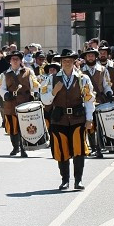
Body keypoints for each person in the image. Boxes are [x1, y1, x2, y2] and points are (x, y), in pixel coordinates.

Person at [39, 49, 96, 190]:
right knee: (61, 149)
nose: (67, 62)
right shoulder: (51, 79)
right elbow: (45, 100)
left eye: (70, 60)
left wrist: (89, 119)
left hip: (77, 118)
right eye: (64, 60)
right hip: (59, 119)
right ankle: (65, 180)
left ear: (74, 61)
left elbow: (89, 100)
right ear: (61, 62)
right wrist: (54, 92)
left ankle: (78, 180)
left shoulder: (83, 78)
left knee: (79, 149)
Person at [0, 51, 39, 157]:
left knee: (23, 127)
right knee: (12, 128)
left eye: (17, 59)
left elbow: (34, 85)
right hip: (10, 103)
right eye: (13, 59)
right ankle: (15, 147)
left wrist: (35, 94)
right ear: (10, 61)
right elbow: (1, 89)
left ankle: (23, 147)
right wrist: (5, 94)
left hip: (25, 103)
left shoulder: (28, 72)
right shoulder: (4, 74)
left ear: (21, 61)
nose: (15, 61)